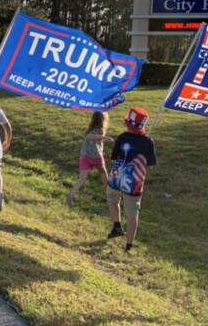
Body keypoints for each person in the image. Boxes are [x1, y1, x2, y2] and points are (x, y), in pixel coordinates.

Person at [106, 107, 157, 251]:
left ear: (128, 124)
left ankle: (117, 225)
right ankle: (129, 245)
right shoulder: (149, 142)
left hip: (116, 177)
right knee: (132, 212)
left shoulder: (122, 137)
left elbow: (115, 157)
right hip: (135, 182)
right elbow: (149, 164)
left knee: (111, 197)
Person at [66, 111, 113, 207]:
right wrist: (105, 137)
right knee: (103, 173)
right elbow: (89, 136)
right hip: (95, 156)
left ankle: (71, 193)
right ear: (103, 120)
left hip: (84, 156)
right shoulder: (98, 129)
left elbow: (89, 135)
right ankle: (109, 194)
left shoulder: (90, 128)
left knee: (82, 178)